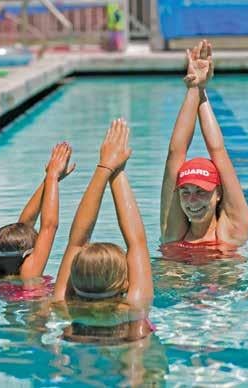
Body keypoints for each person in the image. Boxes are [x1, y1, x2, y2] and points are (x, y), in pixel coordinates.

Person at [53, 119, 154, 343]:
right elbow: (136, 241)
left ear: (74, 282)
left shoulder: (63, 306)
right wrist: (115, 170)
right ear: (125, 282)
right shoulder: (135, 308)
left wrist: (105, 167)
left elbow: (76, 242)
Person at [160, 40, 248, 256]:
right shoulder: (172, 234)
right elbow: (175, 153)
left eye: (201, 192)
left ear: (218, 193)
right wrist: (194, 87)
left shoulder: (231, 232)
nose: (192, 201)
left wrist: (200, 90)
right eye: (186, 192)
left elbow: (218, 151)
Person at [0, 142, 74, 281]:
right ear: (27, 256)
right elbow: (49, 226)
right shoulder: (29, 275)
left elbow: (24, 226)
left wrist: (50, 180)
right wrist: (52, 176)